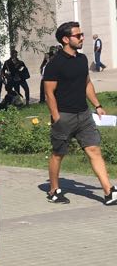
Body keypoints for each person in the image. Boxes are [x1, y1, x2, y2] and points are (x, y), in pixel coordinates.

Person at [42, 21, 117, 206]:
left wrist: (97, 105)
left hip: (84, 115)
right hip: (64, 116)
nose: (82, 38)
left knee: (94, 150)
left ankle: (108, 192)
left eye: (82, 34)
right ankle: (54, 190)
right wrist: (56, 116)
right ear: (66, 39)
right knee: (58, 154)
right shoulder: (55, 64)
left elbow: (87, 84)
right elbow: (49, 93)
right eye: (78, 35)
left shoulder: (82, 59)